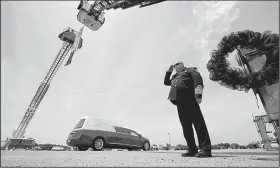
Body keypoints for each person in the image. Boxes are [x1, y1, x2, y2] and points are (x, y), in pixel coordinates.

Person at [164, 61, 212, 158]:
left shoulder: (189, 70)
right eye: (175, 65)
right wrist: (168, 72)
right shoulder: (174, 77)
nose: (176, 66)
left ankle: (205, 149)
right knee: (186, 128)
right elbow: (166, 82)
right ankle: (192, 149)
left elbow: (197, 79)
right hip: (179, 104)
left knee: (199, 125)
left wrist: (198, 95)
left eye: (178, 64)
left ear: (182, 65)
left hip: (190, 100)